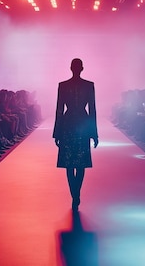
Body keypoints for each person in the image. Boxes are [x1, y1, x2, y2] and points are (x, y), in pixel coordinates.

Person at [53, 58, 98, 211]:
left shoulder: (63, 86)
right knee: (81, 161)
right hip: (83, 124)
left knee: (69, 162)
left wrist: (57, 133)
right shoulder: (89, 85)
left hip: (68, 124)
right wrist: (94, 133)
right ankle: (76, 193)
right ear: (82, 68)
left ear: (71, 68)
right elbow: (92, 110)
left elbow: (59, 110)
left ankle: (74, 193)